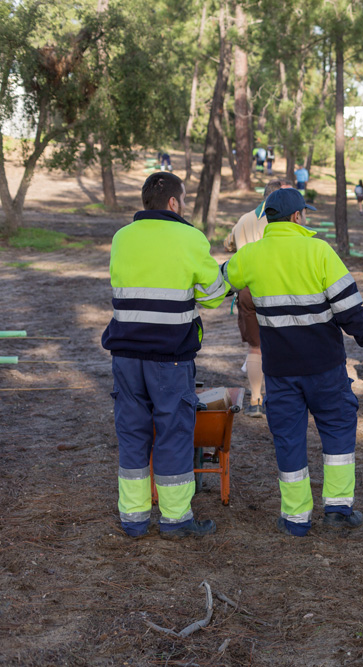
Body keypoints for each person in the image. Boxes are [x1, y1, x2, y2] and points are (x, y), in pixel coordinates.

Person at [223, 188, 363, 536]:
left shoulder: (251, 256)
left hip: (281, 372)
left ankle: (295, 519)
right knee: (338, 431)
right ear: (298, 216)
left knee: (288, 439)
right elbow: (350, 311)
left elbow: (217, 284)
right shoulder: (320, 251)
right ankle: (338, 510)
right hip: (325, 368)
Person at [102, 171, 228, 539]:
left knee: (132, 432)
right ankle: (175, 519)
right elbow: (215, 294)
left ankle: (134, 518)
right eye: (184, 199)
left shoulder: (121, 237)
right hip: (168, 356)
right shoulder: (189, 237)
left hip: (125, 354)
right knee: (173, 432)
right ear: (174, 203)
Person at [223, 178, 296, 417]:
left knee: (256, 347)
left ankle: (255, 400)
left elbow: (228, 245)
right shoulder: (281, 220)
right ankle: (280, 398)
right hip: (276, 287)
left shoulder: (245, 219)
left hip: (247, 288)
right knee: (283, 343)